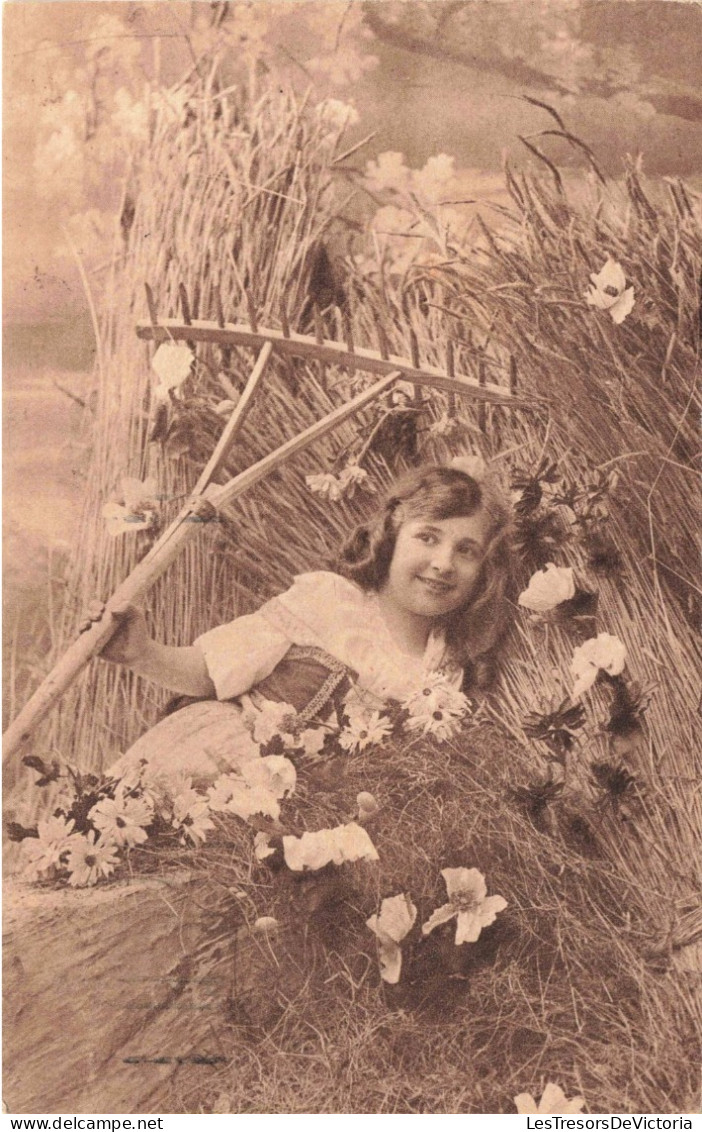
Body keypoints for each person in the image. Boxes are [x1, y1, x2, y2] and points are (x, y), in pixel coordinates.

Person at [102, 461, 513, 787]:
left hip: (304, 827)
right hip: (216, 762)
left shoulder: (446, 676)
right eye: (427, 537)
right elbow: (211, 673)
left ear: (482, 570)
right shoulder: (328, 603)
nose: (443, 563)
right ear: (391, 537)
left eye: (466, 551)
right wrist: (142, 654)